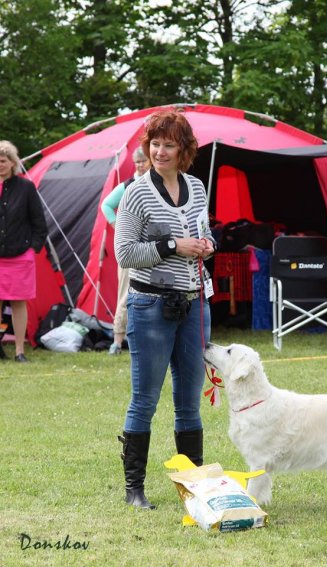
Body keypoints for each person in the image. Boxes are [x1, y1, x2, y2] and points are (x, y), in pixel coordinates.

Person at [114, 110, 216, 509]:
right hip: (150, 306)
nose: (159, 151)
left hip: (194, 306)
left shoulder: (196, 186)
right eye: (154, 144)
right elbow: (125, 253)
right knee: (145, 400)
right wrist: (173, 246)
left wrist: (208, 245)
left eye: (168, 145)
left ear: (184, 149)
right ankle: (134, 489)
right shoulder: (137, 193)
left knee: (189, 401)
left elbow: (204, 233)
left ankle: (193, 485)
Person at [0, 140, 47, 362]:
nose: (0, 165)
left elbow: (39, 223)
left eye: (3, 161)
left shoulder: (26, 187)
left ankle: (19, 351)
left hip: (20, 256)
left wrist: (32, 249)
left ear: (12, 163)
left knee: (19, 303)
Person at [100, 147, 150, 355]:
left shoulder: (158, 183)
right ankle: (117, 340)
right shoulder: (127, 185)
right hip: (130, 248)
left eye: (143, 161)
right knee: (125, 294)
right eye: (137, 162)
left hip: (151, 247)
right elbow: (106, 206)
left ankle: (145, 338)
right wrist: (117, 224)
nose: (140, 165)